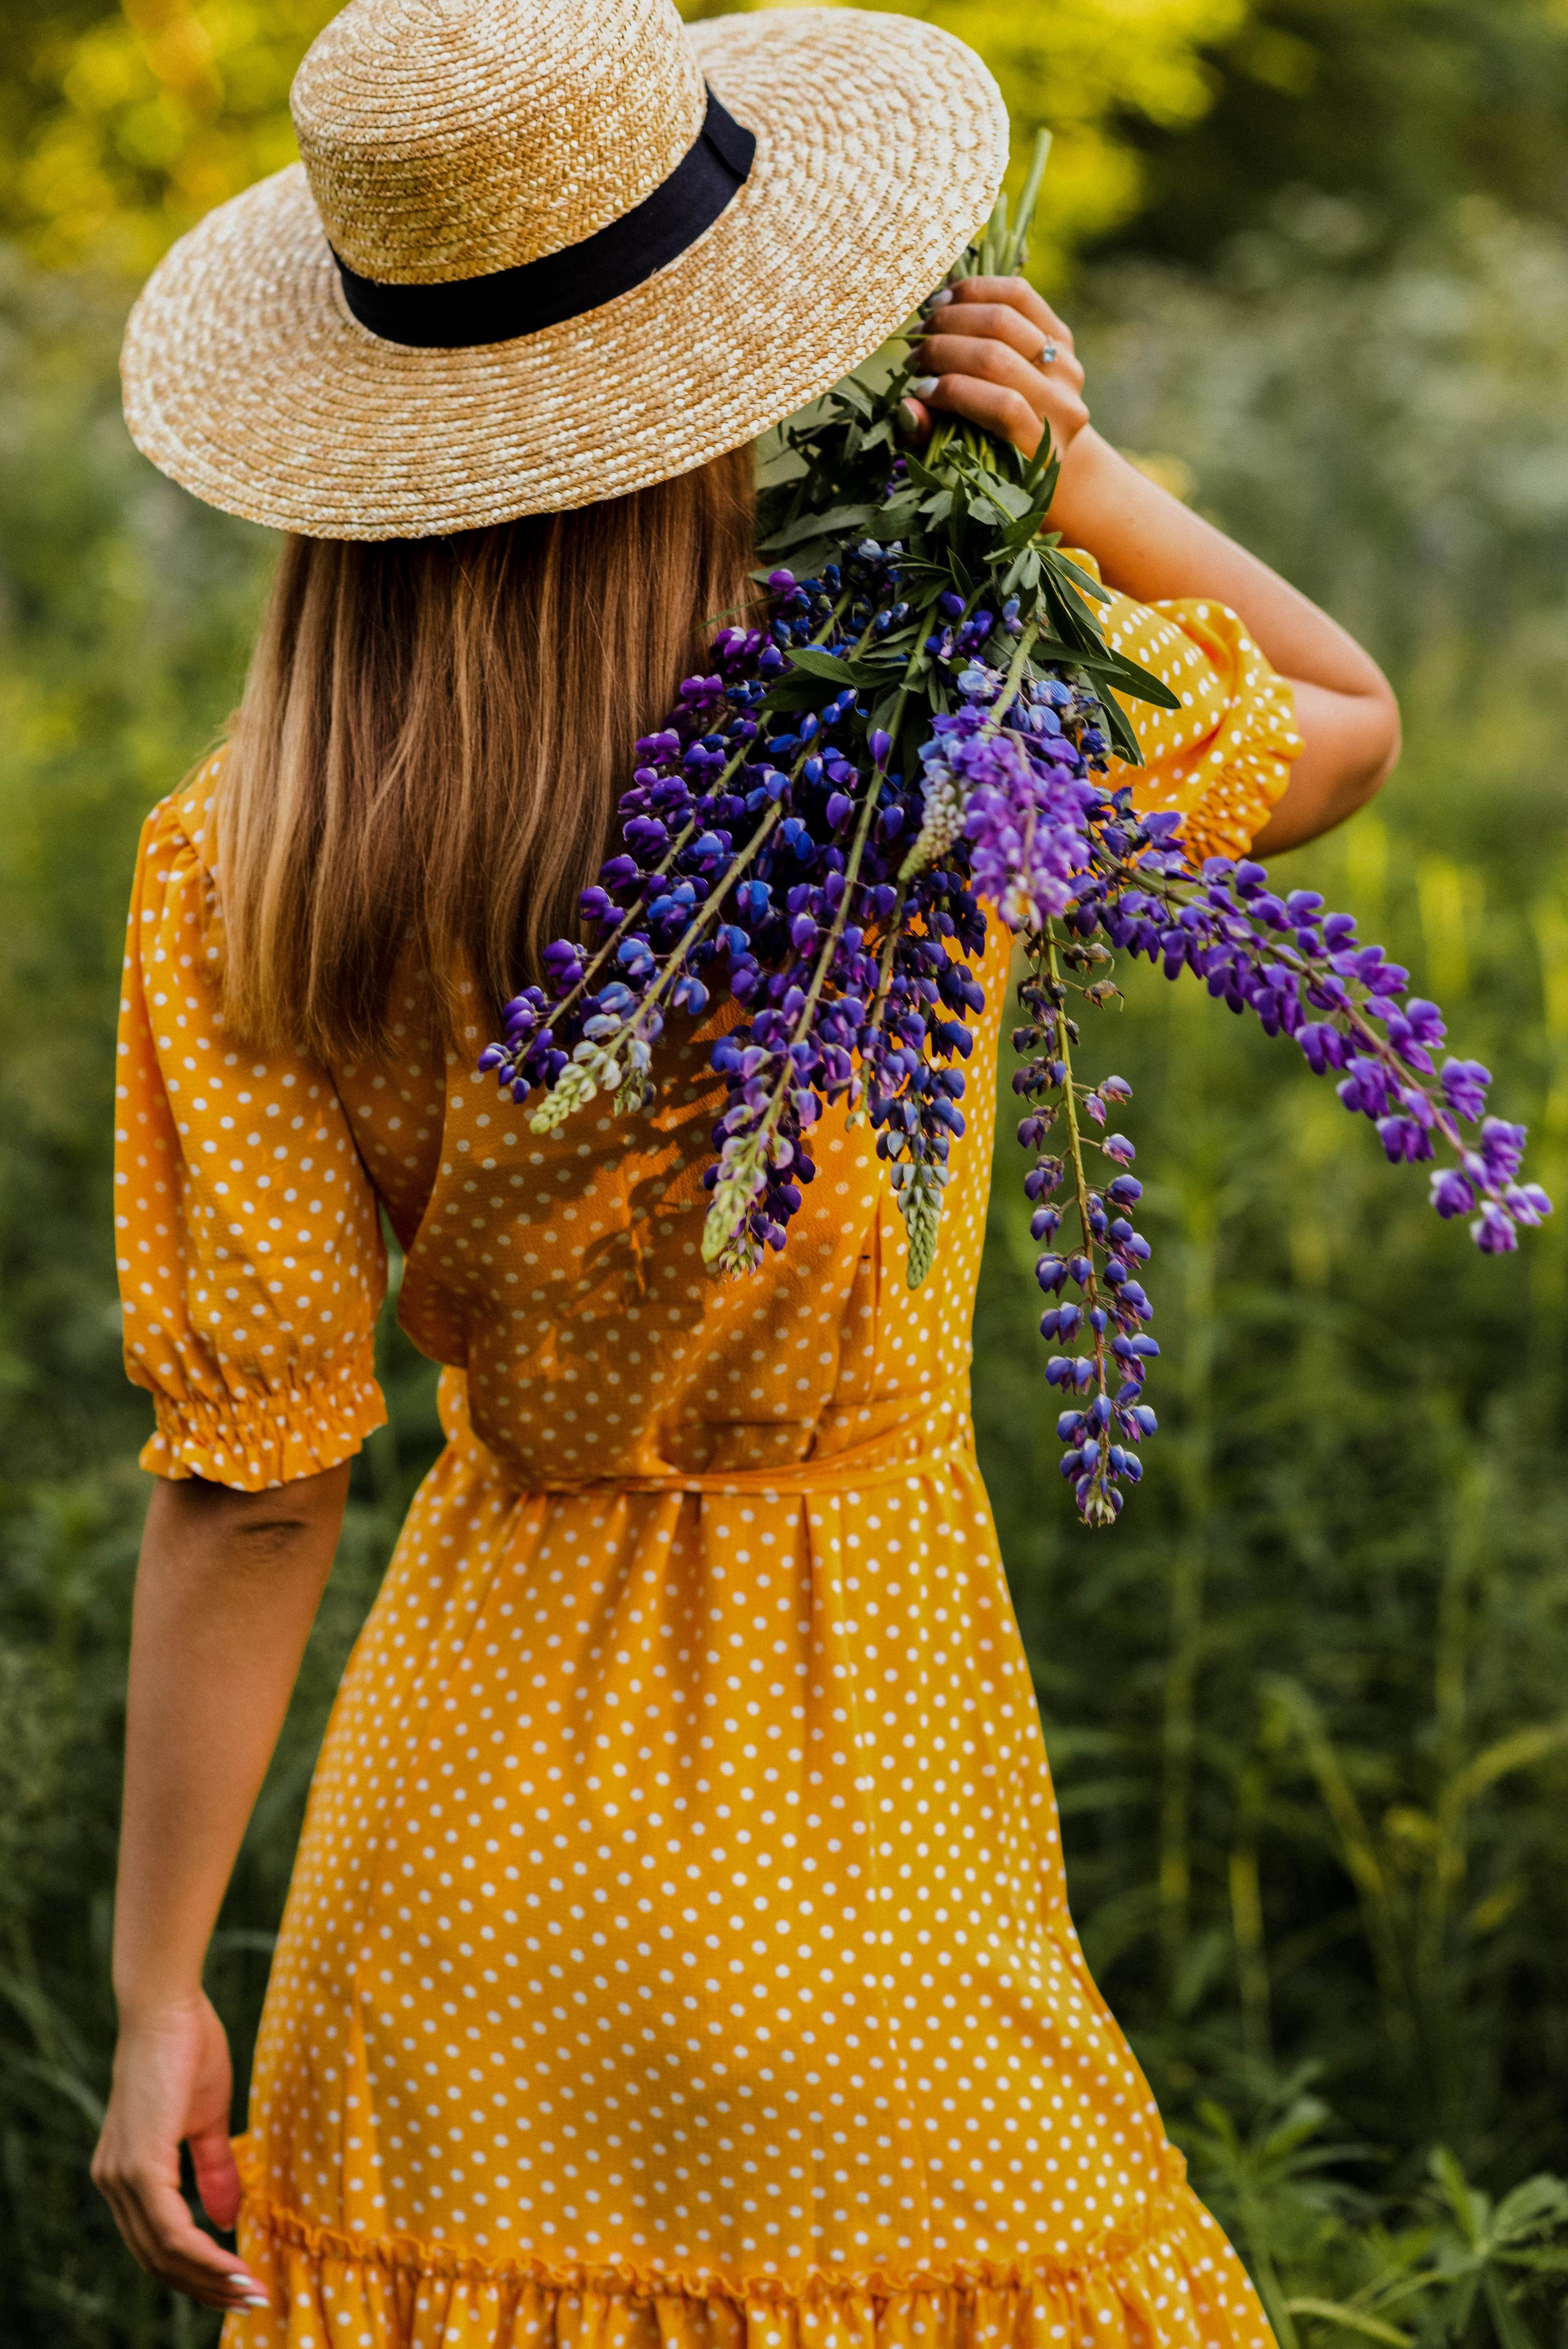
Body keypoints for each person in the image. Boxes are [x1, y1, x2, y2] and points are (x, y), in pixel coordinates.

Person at [92, 0, 1400, 2340]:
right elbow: (1342, 721)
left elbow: (258, 1481)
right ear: (743, 360)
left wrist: (156, 1996)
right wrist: (1067, 475)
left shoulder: (243, 855)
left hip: (451, 1862)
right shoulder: (923, 746)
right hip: (864, 1813)